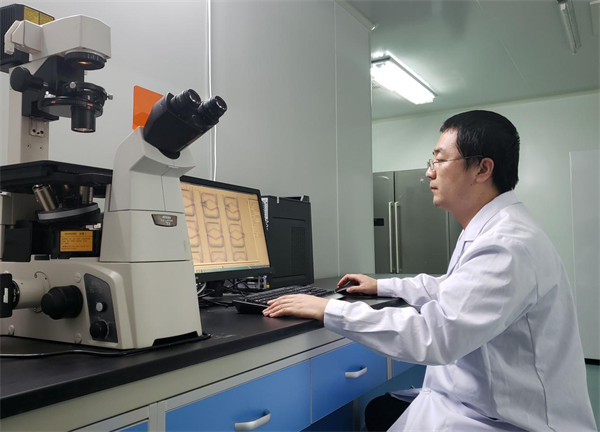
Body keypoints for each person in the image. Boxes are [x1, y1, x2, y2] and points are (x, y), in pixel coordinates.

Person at [262, 110, 597, 431]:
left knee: (379, 411)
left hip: (506, 420)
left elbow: (434, 336)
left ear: (482, 169)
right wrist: (382, 286)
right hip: (481, 403)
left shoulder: (506, 244)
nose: (429, 173)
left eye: (439, 160)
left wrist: (329, 309)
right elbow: (452, 288)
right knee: (380, 410)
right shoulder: (491, 229)